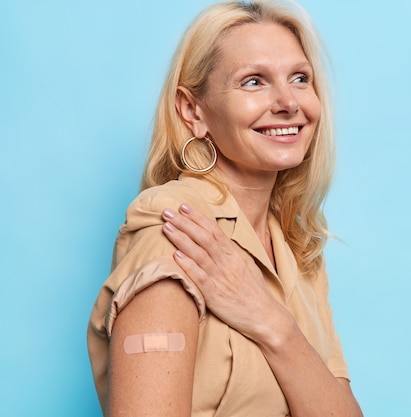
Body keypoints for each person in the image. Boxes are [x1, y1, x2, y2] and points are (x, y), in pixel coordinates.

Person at [87, 1, 363, 416]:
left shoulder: (298, 246)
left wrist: (274, 324)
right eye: (253, 82)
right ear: (192, 110)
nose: (288, 102)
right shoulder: (177, 232)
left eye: (300, 78)